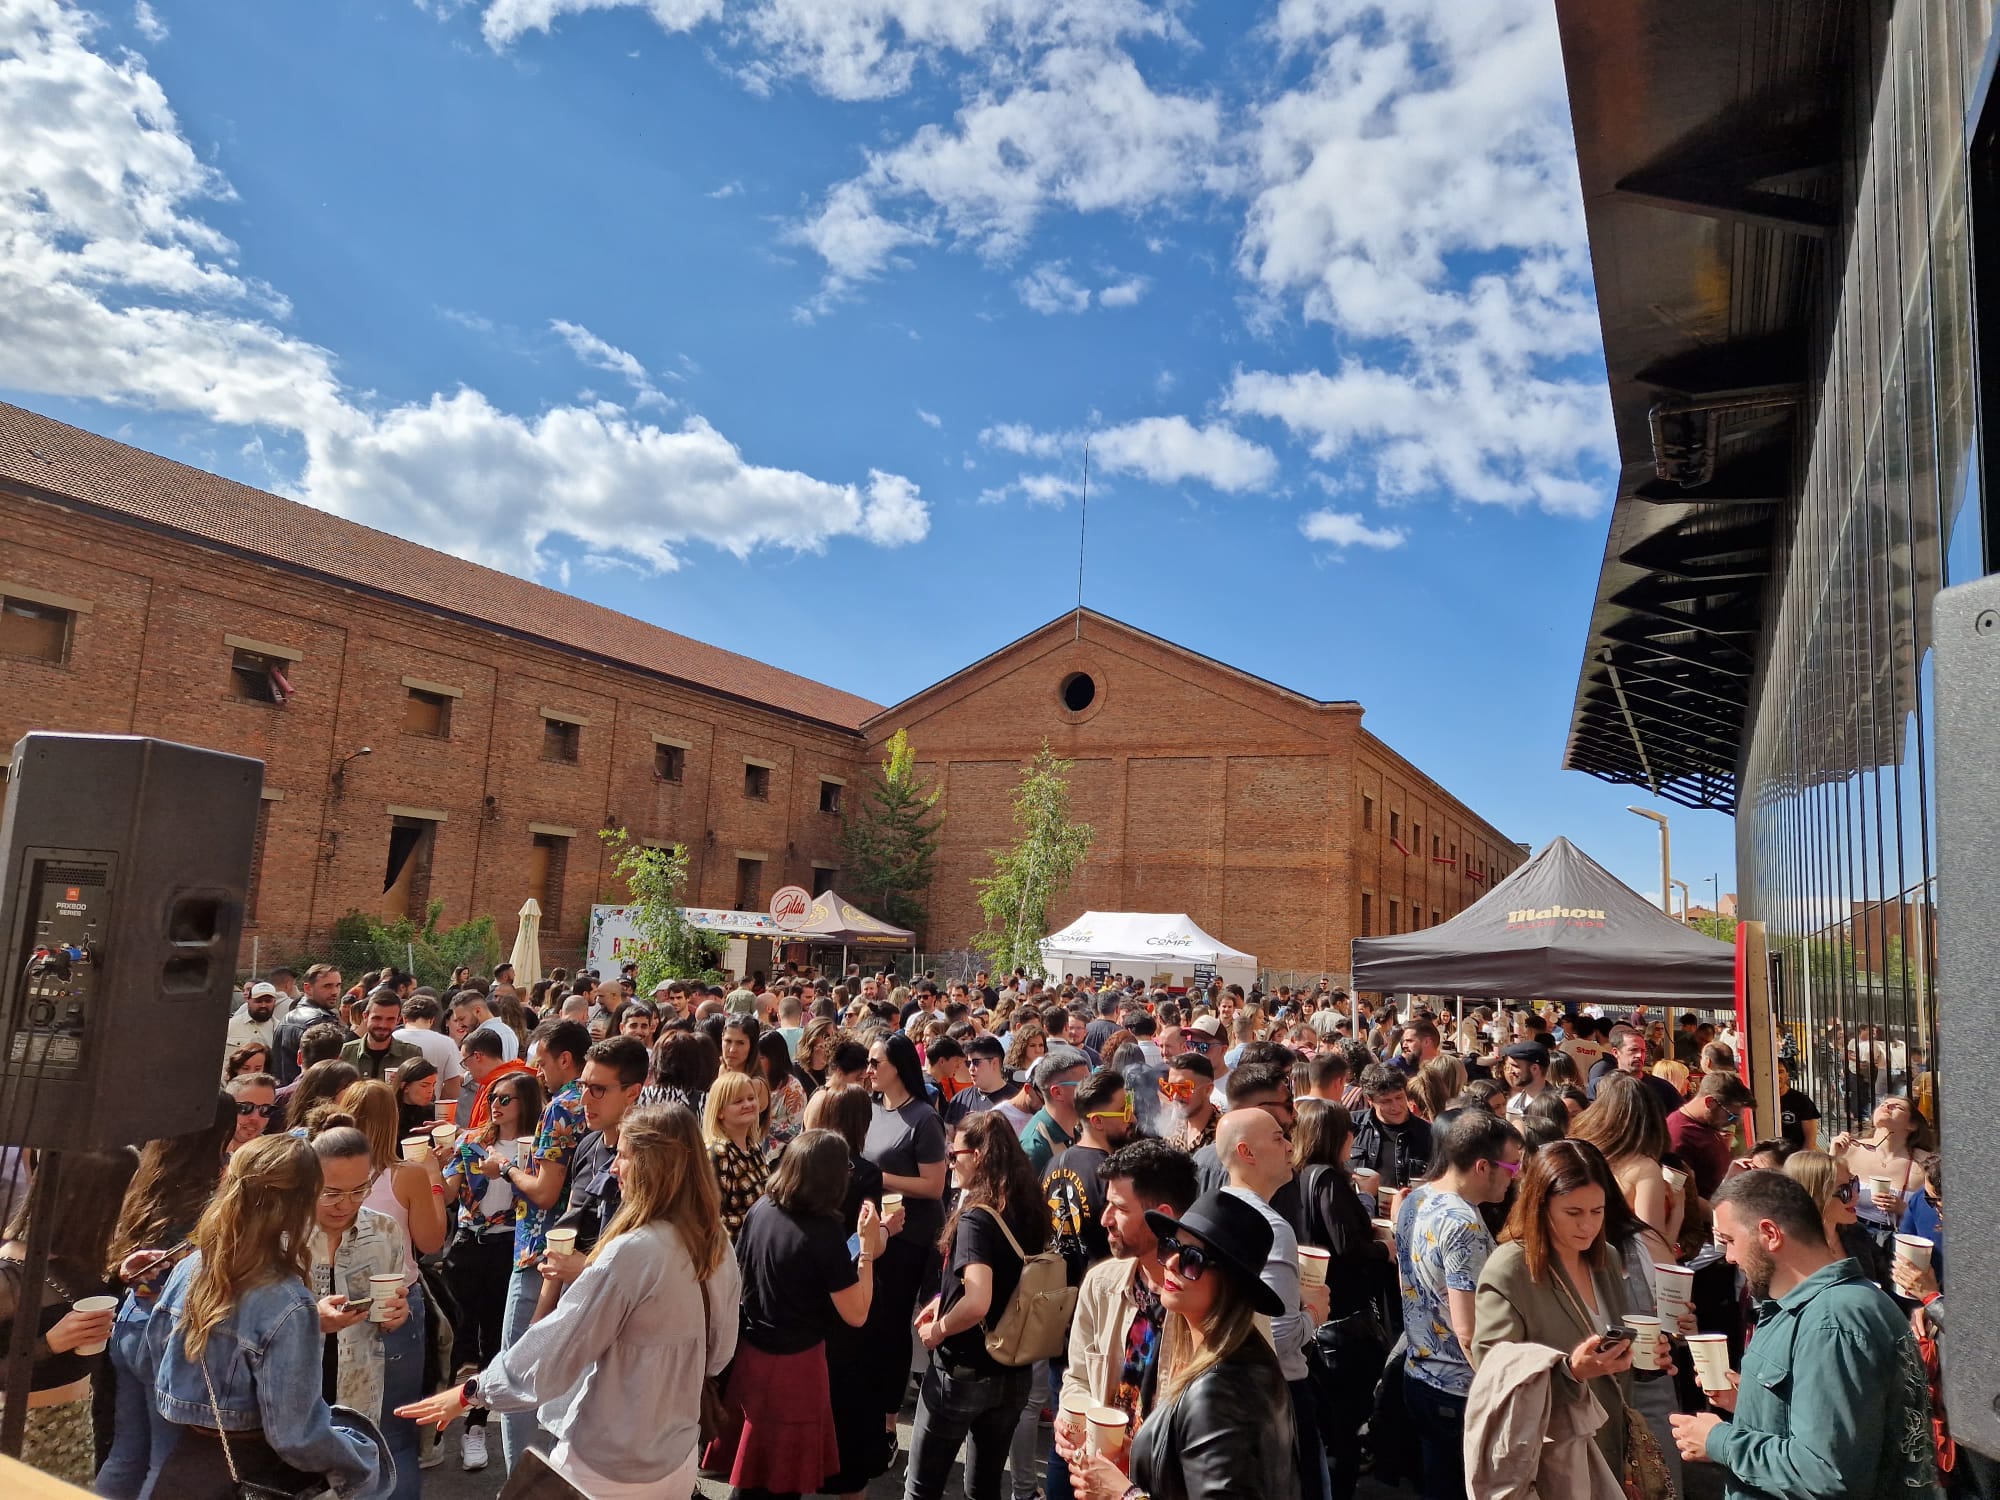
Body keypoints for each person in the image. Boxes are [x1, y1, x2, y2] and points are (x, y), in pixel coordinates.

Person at [398, 1103, 743, 1498]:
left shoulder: (633, 1251)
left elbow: (556, 1352)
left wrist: (471, 1391)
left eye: (625, 1155)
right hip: (677, 1454)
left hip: (607, 1462)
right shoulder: (714, 1239)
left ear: (653, 1164)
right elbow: (719, 1352)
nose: (615, 1167)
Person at [135, 1135, 390, 1499]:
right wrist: (360, 1456)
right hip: (253, 1474)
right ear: (301, 1203)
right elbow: (296, 1436)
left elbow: (154, 1364)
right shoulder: (287, 1301)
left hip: (184, 1467)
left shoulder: (189, 1267)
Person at [1670, 1169, 1939, 1497]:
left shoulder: (1834, 1320)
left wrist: (1718, 1440)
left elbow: (1826, 1472)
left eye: (1729, 1240)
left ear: (1769, 1233)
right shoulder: (1812, 1309)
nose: (1729, 1256)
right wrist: (1754, 1401)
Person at [1059, 1189, 1295, 1500]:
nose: (1170, 1262)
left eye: (1192, 1259)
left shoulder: (1219, 1389)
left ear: (1230, 1282)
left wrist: (1122, 1494)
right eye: (1170, 1245)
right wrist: (1139, 1457)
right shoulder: (1239, 1354)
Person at [1472, 1139, 1664, 1482]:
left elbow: (1611, 1360)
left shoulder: (1606, 1257)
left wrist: (1646, 1358)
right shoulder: (1510, 1269)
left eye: (1597, 1211)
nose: (1587, 1226)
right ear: (1540, 1206)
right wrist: (1571, 1371)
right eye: (1573, 1213)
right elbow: (1493, 1375)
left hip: (1611, 1449)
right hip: (1552, 1459)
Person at [709, 1131, 886, 1497]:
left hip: (752, 1354)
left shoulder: (761, 1208)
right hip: (795, 1368)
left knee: (752, 1479)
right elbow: (857, 1312)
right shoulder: (822, 1233)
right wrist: (867, 1250)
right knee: (782, 1481)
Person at [96, 1092, 239, 1497]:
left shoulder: (145, 1181)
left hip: (131, 1324)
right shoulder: (212, 1200)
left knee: (125, 1453)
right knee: (165, 1459)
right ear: (220, 1134)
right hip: (172, 1335)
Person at [905, 1111, 1050, 1500]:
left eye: (956, 1155)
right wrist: (941, 1299)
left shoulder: (977, 1217)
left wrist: (938, 1330)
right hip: (1014, 1367)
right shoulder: (1031, 1205)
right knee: (985, 1487)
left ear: (980, 1155)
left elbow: (977, 1301)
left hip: (963, 1370)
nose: (952, 1163)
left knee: (922, 1488)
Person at [1055, 1140, 1200, 1488]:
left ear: (1162, 1216)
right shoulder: (1100, 1284)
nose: (1104, 1219)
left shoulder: (1208, 1298)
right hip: (1102, 1480)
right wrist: (1070, 1418)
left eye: (1118, 1208)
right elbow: (1077, 1377)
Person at [1398, 1108, 1522, 1500]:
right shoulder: (1462, 1223)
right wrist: (1501, 1393)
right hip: (1457, 1391)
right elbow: (1469, 1330)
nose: (1516, 1176)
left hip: (1420, 1373)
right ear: (1483, 1166)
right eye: (1512, 1167)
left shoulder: (1417, 1198)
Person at [484, 1018, 588, 1470]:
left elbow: (545, 1191)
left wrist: (504, 1169)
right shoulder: (610, 1101)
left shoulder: (562, 1107)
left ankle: (519, 1486)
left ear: (565, 1059)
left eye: (542, 1063)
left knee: (518, 1372)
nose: (537, 1073)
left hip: (538, 1252)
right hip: (582, 1252)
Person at [1215, 1106, 1332, 1500]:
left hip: (1228, 1386)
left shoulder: (1214, 1210)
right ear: (1246, 1153)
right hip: (1279, 1392)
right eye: (1278, 1138)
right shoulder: (1272, 1226)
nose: (1289, 1146)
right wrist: (1314, 1311)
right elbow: (1278, 1335)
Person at [0, 1151, 134, 1485]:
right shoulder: (9, 1277)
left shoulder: (77, 1255)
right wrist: (49, 1344)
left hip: (74, 1422)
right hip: (22, 1432)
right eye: (120, 1194)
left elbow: (74, 1292)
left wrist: (121, 1276)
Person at [304, 1118, 419, 1498]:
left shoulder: (384, 1231)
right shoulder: (285, 1235)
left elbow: (392, 1306)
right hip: (296, 1395)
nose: (347, 1205)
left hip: (358, 1391)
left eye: (359, 1191)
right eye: (332, 1193)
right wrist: (311, 1321)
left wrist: (397, 1316)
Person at [439, 1069, 542, 1471]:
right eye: (493, 1098)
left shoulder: (533, 1150)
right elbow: (448, 1194)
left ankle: (476, 1426)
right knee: (458, 1337)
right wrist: (436, 1168)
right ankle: (446, 1420)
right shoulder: (470, 1143)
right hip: (467, 1246)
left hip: (509, 1248)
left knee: (494, 1344)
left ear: (525, 1104)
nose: (496, 1106)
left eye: (506, 1099)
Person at [1830, 1094, 1934, 1259]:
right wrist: (1832, 1157)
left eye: (1897, 1106)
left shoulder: (1925, 1163)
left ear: (1912, 1125)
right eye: (1883, 1104)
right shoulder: (1849, 1150)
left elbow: (1937, 1214)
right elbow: (1825, 1195)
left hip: (1895, 1245)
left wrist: (1904, 1209)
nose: (1886, 1106)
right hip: (1851, 1239)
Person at [701, 1069, 768, 1237]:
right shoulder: (717, 1154)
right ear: (720, 1111)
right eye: (738, 1101)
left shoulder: (754, 1147)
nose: (748, 1105)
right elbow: (712, 1218)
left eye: (751, 1098)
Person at [1668, 1073, 1755, 1200]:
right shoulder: (1677, 1136)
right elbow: (1676, 1195)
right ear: (1710, 1102)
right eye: (1732, 1116)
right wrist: (1712, 1212)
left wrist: (1732, 1170)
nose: (1735, 1122)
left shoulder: (1707, 1123)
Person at [1351, 1063, 1435, 1188]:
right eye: (1386, 1101)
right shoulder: (1352, 1126)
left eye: (1399, 1097)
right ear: (1370, 1100)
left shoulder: (1428, 1134)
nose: (1395, 1107)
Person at [1020, 1047, 1091, 1176]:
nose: (1092, 1090)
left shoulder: (1075, 1130)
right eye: (1085, 1084)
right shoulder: (1035, 1148)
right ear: (1057, 1092)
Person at [271, 964, 343, 1085]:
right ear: (308, 988)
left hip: (285, 1093)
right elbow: (326, 1073)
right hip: (309, 1094)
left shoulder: (288, 1017)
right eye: (327, 986)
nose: (335, 992)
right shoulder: (319, 1021)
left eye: (338, 985)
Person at [341, 991, 424, 1084]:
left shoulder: (411, 1054)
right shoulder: (346, 1052)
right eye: (377, 1018)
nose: (383, 1025)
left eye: (390, 1019)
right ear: (365, 1016)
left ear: (398, 1020)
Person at [757, 1029, 809, 1160]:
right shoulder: (754, 1083)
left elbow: (798, 1130)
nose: (756, 1063)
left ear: (774, 1058)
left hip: (781, 1159)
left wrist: (766, 1125)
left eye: (761, 1058)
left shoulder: (793, 1089)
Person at [224, 1070, 281, 1153]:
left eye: (265, 1109)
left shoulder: (273, 1157)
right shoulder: (203, 1149)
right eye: (246, 1108)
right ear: (227, 1108)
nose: (255, 1118)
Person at [1773, 1061, 1820, 1152]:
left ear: (1787, 1075)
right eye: (1773, 1072)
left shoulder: (1802, 1101)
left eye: (1780, 1072)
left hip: (1795, 1157)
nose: (1777, 1076)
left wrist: (1799, 1163)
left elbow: (1810, 1142)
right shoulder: (1760, 1099)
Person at [391, 1057, 438, 1141]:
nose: (430, 1091)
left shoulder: (434, 1111)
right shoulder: (389, 1113)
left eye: (433, 1085)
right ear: (405, 1086)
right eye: (424, 1085)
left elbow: (463, 1150)